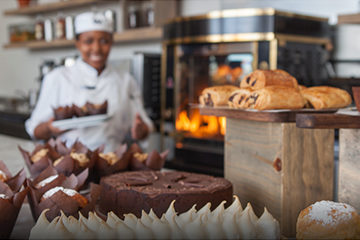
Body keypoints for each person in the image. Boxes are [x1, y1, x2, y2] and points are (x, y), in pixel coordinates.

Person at [25, 12, 153, 152]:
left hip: (112, 160)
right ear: (77, 43)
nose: (96, 48)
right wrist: (50, 128)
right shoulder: (57, 78)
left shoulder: (126, 80)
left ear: (111, 42)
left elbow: (144, 125)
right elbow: (35, 130)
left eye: (104, 41)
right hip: (70, 162)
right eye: (88, 41)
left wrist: (141, 130)